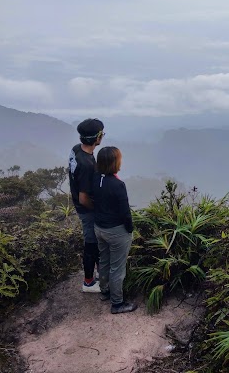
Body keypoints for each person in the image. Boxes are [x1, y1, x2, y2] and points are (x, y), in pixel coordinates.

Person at [92, 146, 137, 314]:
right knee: (117, 267)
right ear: (114, 163)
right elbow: (125, 211)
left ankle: (104, 291)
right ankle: (117, 303)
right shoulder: (118, 184)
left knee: (104, 260)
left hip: (99, 228)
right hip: (117, 231)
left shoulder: (95, 178)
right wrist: (130, 229)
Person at [69, 118, 105, 293]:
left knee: (94, 243)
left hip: (80, 204)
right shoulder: (87, 165)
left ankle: (98, 274)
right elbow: (84, 198)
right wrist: (98, 209)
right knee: (91, 244)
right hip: (86, 208)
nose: (103, 136)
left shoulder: (77, 150)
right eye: (102, 133)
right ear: (97, 137)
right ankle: (89, 282)